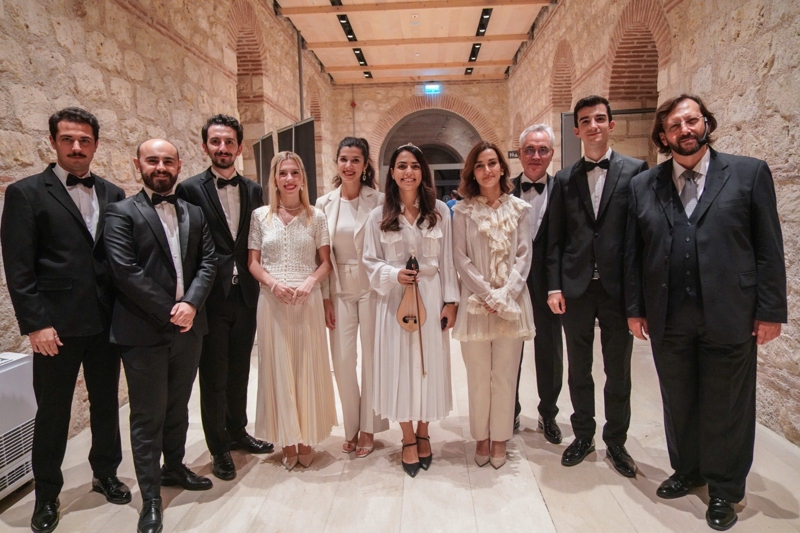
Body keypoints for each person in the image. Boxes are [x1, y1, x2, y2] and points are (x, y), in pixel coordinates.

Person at [625, 94, 786, 531]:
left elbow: (769, 248)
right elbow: (634, 253)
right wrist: (635, 309)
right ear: (663, 136)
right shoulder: (644, 185)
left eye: (692, 121)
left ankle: (725, 488)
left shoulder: (749, 173)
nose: (686, 130)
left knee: (726, 403)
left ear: (706, 124)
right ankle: (688, 470)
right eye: (675, 125)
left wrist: (771, 310)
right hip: (668, 313)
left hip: (731, 311)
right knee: (678, 399)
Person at [0, 107, 128, 533]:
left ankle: (106, 473)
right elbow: (19, 268)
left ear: (96, 145)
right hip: (54, 327)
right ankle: (47, 495)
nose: (77, 147)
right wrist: (35, 324)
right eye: (68, 139)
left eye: (85, 140)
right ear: (53, 141)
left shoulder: (113, 193)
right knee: (53, 412)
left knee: (107, 404)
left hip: (106, 321)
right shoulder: (25, 193)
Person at [104, 139, 217, 533]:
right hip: (143, 330)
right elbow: (125, 271)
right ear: (138, 164)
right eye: (152, 160)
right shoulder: (120, 213)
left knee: (178, 407)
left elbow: (209, 262)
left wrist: (192, 304)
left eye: (168, 161)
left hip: (189, 328)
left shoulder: (194, 213)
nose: (161, 167)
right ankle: (151, 497)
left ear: (179, 165)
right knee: (147, 416)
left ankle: (174, 467)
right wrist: (172, 309)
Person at [546, 95, 648, 478]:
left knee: (618, 371)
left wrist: (639, 297)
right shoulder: (563, 179)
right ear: (576, 130)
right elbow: (555, 239)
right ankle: (584, 435)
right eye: (586, 120)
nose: (593, 125)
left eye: (600, 119)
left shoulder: (636, 171)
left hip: (617, 289)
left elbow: (641, 238)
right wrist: (554, 287)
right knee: (579, 368)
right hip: (575, 289)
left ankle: (616, 442)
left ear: (611, 125)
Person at [176, 115, 273, 482]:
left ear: (239, 147)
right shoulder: (189, 189)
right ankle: (218, 447)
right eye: (215, 141)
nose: (222, 148)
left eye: (229, 142)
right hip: (211, 296)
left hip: (245, 293)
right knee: (214, 375)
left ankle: (238, 432)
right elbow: (186, 246)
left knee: (240, 370)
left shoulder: (253, 190)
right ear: (205, 146)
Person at [362, 143, 459, 478]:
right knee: (399, 366)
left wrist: (451, 302)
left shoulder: (440, 211)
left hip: (431, 297)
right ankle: (406, 437)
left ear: (423, 172)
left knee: (428, 364)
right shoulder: (378, 215)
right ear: (392, 173)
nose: (408, 172)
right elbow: (369, 261)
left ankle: (423, 431)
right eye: (402, 166)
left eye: (415, 166)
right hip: (394, 300)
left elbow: (448, 260)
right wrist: (393, 274)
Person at [248, 151, 337, 471]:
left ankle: (306, 438)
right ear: (274, 179)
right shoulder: (260, 216)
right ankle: (287, 440)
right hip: (272, 303)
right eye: (283, 173)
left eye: (294, 173)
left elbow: (326, 262)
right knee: (278, 369)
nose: (289, 179)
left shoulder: (317, 217)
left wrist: (310, 282)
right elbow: (253, 263)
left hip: (306, 302)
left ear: (302, 178)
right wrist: (273, 284)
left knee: (306, 367)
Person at [452, 141, 533, 469]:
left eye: (492, 163)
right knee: (478, 375)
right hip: (475, 304)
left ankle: (499, 437)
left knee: (505, 375)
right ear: (472, 172)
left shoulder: (520, 209)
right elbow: (460, 258)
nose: (487, 170)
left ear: (502, 168)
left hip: (511, 305)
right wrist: (487, 295)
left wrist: (505, 295)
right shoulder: (462, 211)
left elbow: (524, 255)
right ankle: (481, 437)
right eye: (480, 165)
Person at [316, 137, 389, 457]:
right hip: (339, 289)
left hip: (372, 288)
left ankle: (369, 428)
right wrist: (325, 298)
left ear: (365, 165)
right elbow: (320, 256)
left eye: (355, 160)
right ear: (337, 162)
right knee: (343, 361)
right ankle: (351, 426)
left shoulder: (380, 201)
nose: (348, 165)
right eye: (343, 159)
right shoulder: (323, 204)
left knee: (372, 359)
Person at [510, 124, 564, 443]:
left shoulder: (564, 189)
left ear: (551, 154)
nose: (536, 155)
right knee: (510, 349)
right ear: (519, 153)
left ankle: (549, 414)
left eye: (543, 150)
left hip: (549, 285)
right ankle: (510, 411)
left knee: (550, 351)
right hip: (512, 284)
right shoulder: (504, 190)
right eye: (529, 149)